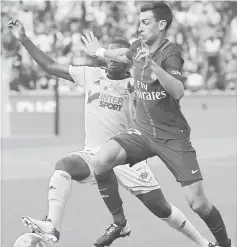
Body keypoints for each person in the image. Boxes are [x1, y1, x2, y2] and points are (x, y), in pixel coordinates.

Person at [8, 19, 215, 247]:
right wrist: (24, 39)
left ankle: (204, 243)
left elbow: (157, 101)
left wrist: (137, 89)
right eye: (110, 54)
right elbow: (50, 66)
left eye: (118, 55)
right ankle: (52, 227)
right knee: (64, 166)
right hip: (95, 156)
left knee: (161, 208)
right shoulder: (90, 74)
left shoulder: (136, 83)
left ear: (126, 61)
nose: (112, 60)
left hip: (127, 157)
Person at [82, 2, 233, 247]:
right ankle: (120, 223)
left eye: (145, 22)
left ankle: (223, 244)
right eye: (139, 22)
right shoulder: (136, 47)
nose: (139, 27)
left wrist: (153, 65)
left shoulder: (170, 53)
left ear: (161, 25)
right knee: (102, 160)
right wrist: (99, 52)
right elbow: (123, 55)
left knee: (198, 204)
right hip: (142, 132)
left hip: (172, 137)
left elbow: (178, 90)